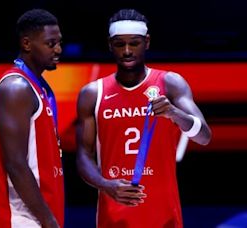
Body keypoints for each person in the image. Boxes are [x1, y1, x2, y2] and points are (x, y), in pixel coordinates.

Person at [76, 8, 212, 228]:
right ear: (110, 45)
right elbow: (83, 155)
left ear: (147, 42)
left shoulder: (170, 83)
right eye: (120, 44)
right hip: (114, 213)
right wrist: (105, 184)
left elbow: (204, 136)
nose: (127, 51)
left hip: (163, 213)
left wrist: (173, 113)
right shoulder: (93, 93)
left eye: (135, 43)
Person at [0, 9, 64, 228]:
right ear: (27, 44)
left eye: (59, 43)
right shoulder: (16, 88)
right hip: (23, 218)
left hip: (42, 212)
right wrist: (48, 221)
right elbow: (16, 163)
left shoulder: (38, 86)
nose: (58, 50)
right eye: (51, 44)